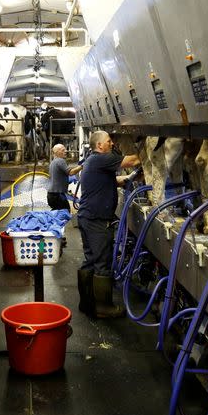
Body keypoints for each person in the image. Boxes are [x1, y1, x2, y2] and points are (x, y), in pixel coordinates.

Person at [76, 131, 140, 318]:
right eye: (109, 141)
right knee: (102, 262)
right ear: (99, 145)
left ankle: (87, 303)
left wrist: (131, 179)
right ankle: (103, 308)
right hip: (97, 221)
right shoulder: (101, 159)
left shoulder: (93, 161)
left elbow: (115, 181)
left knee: (90, 260)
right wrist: (149, 150)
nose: (112, 144)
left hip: (88, 218)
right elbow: (131, 161)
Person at [47, 144, 82, 213]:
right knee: (65, 213)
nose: (66, 151)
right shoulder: (60, 161)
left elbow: (58, 178)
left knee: (57, 214)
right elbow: (71, 172)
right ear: (57, 152)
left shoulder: (53, 162)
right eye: (63, 150)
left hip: (51, 195)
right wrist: (83, 166)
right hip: (57, 195)